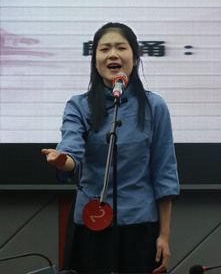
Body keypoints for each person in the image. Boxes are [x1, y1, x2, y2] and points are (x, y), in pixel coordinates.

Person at [42, 22, 180, 274]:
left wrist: (164, 235)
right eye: (104, 49)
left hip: (140, 223)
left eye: (121, 48)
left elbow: (164, 171)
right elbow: (71, 149)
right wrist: (64, 160)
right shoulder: (78, 106)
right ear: (95, 60)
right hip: (91, 223)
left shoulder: (154, 106)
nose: (113, 54)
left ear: (135, 58)